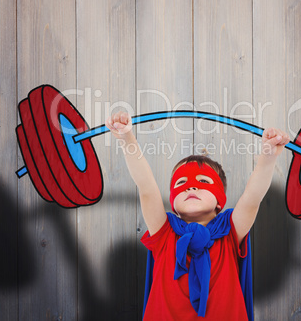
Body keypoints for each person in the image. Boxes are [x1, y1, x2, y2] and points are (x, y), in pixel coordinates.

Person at [105, 111, 289, 320]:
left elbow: (252, 198)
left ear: (220, 201)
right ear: (173, 202)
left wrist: (268, 157)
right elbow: (146, 187)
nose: (191, 186)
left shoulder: (229, 231)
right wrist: (127, 138)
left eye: (203, 181)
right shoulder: (164, 232)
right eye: (181, 183)